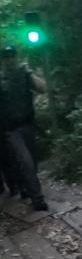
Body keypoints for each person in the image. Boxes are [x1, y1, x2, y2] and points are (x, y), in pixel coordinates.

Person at [0, 45, 48, 211]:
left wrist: (29, 73)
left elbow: (42, 88)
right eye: (6, 56)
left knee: (32, 163)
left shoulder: (25, 74)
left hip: (28, 125)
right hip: (11, 130)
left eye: (12, 55)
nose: (10, 59)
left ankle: (26, 187)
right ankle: (38, 199)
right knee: (25, 161)